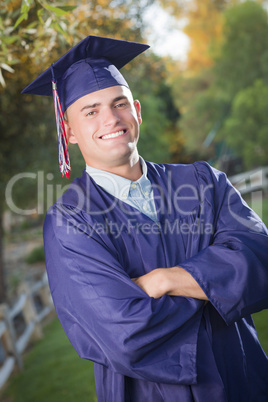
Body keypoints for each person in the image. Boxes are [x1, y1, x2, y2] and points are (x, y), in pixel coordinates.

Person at [22, 36, 268, 402]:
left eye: (119, 103)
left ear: (136, 110)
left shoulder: (203, 181)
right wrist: (220, 286)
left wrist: (162, 281)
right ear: (69, 131)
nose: (110, 118)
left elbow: (260, 259)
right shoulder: (70, 222)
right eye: (90, 111)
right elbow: (125, 333)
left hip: (245, 379)